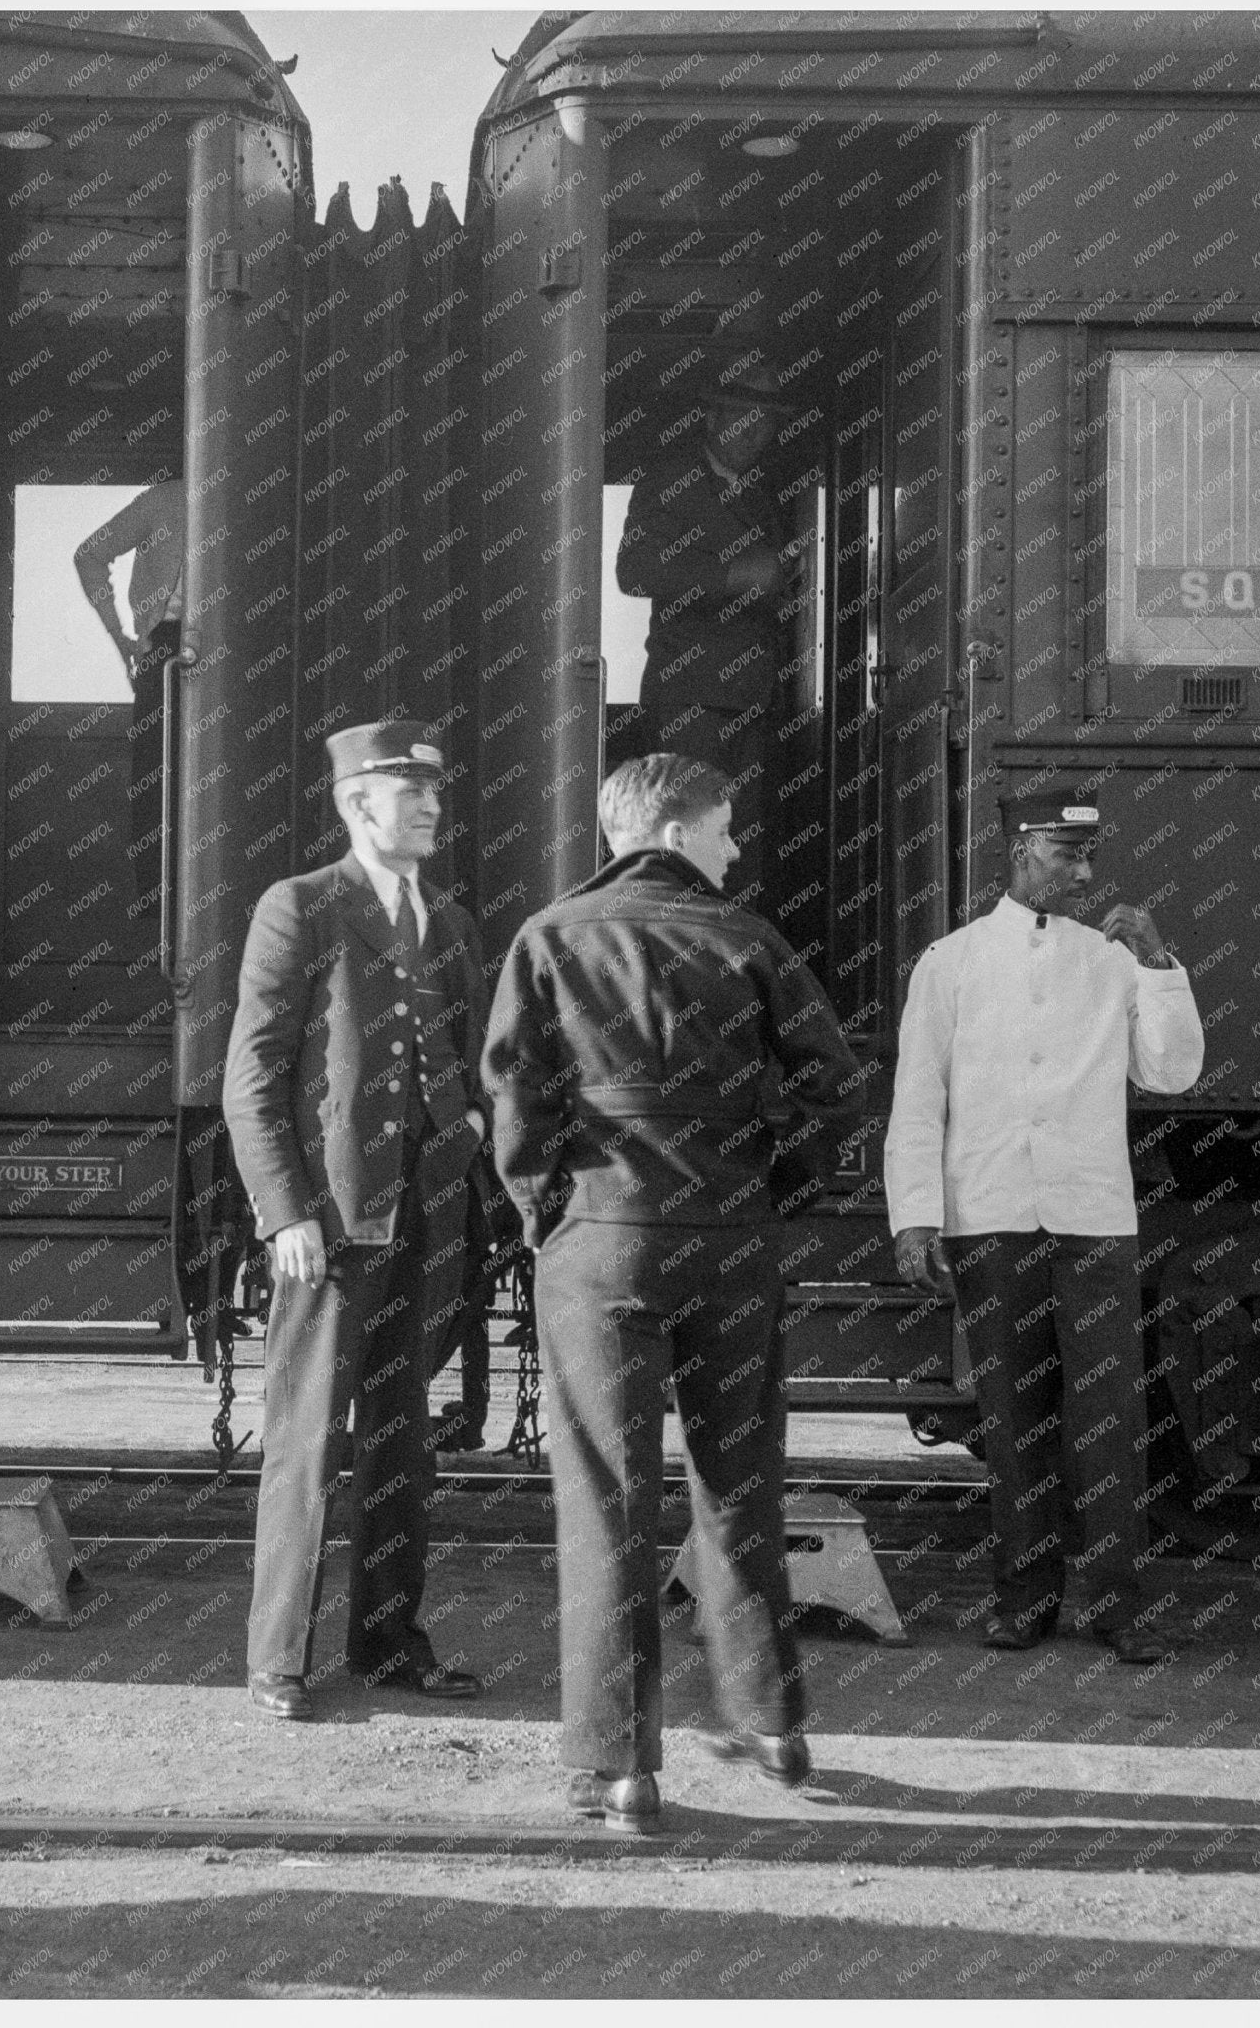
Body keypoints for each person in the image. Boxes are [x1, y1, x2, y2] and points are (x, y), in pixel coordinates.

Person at [481, 753, 863, 1831]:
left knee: (606, 1500)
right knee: (739, 1482)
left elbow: (512, 1096)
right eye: (726, 827)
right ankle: (774, 1723)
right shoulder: (747, 939)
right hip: (731, 1238)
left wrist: (546, 1210)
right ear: (678, 829)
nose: (735, 846)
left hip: (601, 1240)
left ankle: (619, 1768)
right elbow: (834, 1091)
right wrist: (769, 1185)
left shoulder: (549, 934)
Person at [885, 788, 1205, 1665]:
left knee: (1108, 1415)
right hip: (989, 1219)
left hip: (1093, 1220)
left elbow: (1172, 1072)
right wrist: (915, 1218)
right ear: (1021, 850)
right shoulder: (948, 964)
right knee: (1013, 1418)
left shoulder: (1113, 961)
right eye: (1069, 853)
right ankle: (1022, 1598)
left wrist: (1159, 961)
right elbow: (917, 1102)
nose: (1086, 871)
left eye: (1090, 854)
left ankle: (1116, 1603)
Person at [223, 720, 490, 1719]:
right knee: (303, 1440)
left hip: (426, 1214)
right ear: (352, 801)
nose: (425, 802)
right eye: (403, 786)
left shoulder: (448, 919)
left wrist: (469, 1122)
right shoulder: (302, 906)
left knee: (401, 1439)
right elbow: (250, 1075)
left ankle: (387, 1642)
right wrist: (282, 1209)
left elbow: (467, 1046)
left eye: (432, 787)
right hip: (329, 1223)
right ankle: (276, 1659)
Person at [613, 349, 794, 875]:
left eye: (767, 421)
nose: (756, 431)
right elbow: (636, 570)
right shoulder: (668, 482)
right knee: (684, 836)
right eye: (743, 415)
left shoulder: (765, 493)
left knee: (742, 850)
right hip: (691, 698)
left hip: (754, 699)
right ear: (712, 417)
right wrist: (734, 576)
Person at [73, 478, 185, 914]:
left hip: (203, 648)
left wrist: (122, 638)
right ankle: (160, 919)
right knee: (157, 781)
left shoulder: (164, 499)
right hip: (166, 649)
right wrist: (121, 637)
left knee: (161, 783)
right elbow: (89, 554)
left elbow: (88, 555)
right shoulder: (163, 499)